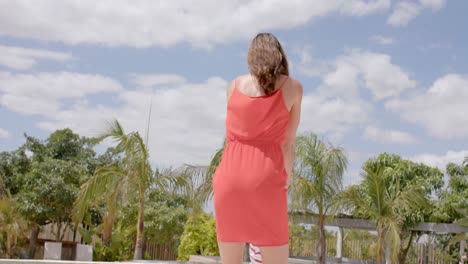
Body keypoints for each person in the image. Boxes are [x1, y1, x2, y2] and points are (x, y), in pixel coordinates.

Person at [212, 32, 303, 264]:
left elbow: (232, 135)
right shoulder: (292, 88)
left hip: (228, 178)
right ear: (279, 56)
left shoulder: (233, 86)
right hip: (266, 176)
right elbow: (288, 144)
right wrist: (286, 179)